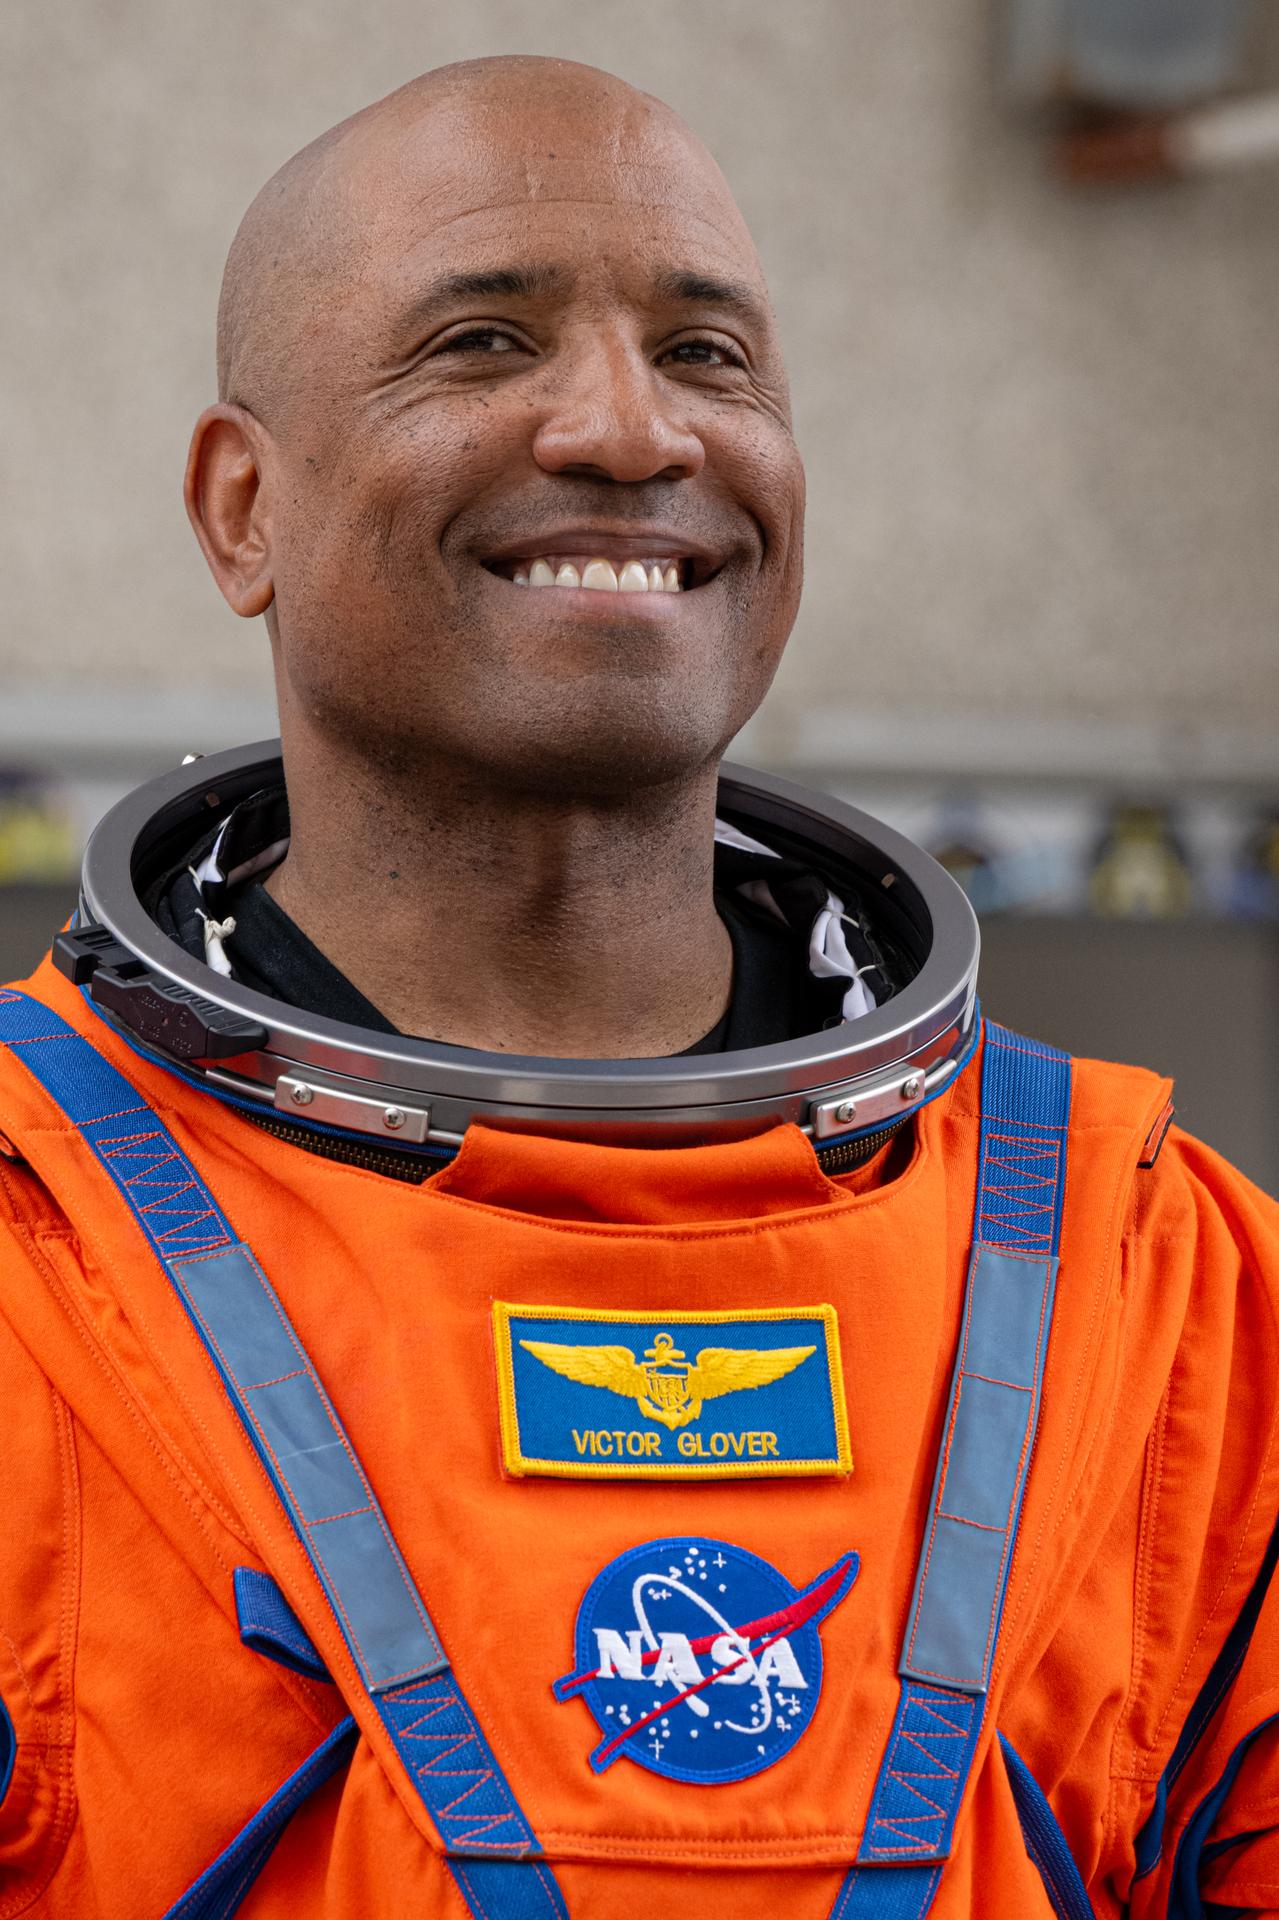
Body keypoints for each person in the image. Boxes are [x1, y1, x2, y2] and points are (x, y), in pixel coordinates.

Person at [0, 54, 1276, 1920]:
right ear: (239, 509)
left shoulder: (1164, 1293)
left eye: (707, 356)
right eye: (481, 342)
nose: (623, 429)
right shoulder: (41, 1261)